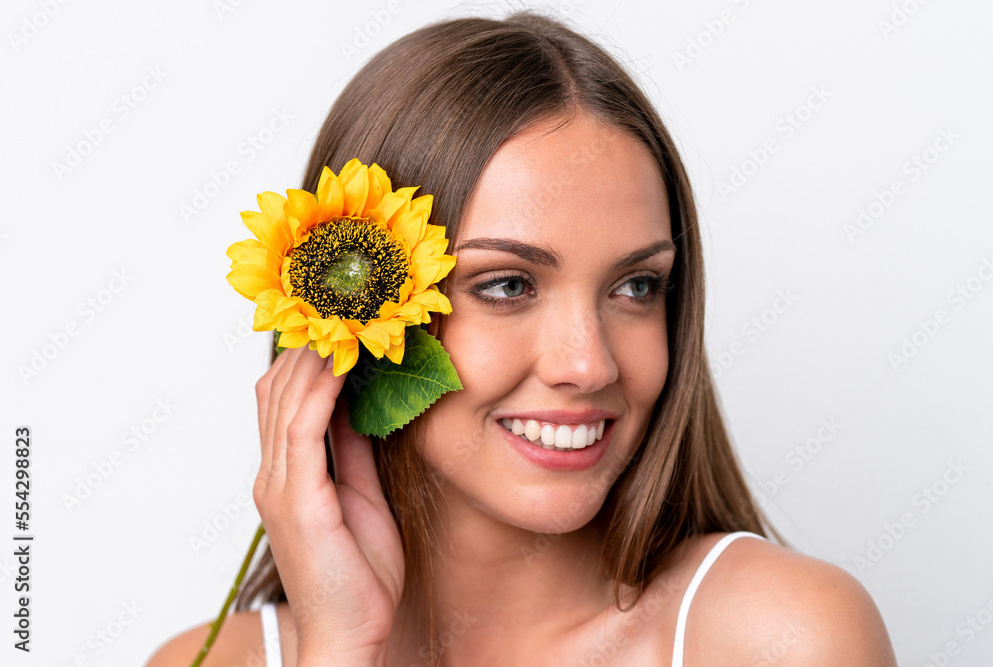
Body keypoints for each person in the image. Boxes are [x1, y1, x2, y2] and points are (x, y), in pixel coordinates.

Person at [148, 11, 897, 666]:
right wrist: (341, 648)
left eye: (636, 286)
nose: (587, 362)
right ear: (354, 316)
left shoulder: (783, 640)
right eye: (507, 284)